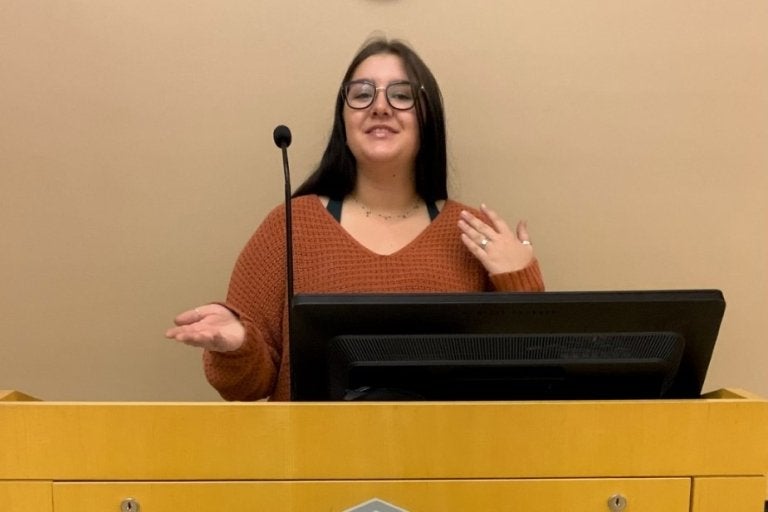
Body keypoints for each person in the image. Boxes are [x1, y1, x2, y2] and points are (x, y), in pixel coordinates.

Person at [165, 38, 545, 401]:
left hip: (443, 461)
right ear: (343, 120)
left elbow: (531, 374)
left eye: (401, 95)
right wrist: (236, 348)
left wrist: (519, 278)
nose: (380, 107)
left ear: (429, 119)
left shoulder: (472, 231)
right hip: (312, 463)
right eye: (362, 94)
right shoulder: (288, 226)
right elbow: (246, 386)